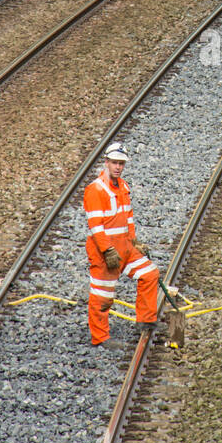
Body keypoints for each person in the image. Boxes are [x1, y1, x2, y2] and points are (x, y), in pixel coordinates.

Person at [83, 142, 159, 346]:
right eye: (115, 163)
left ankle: (146, 320)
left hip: (126, 248)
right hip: (105, 252)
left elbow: (128, 216)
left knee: (149, 274)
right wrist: (107, 249)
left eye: (121, 164)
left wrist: (135, 241)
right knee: (102, 295)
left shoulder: (123, 186)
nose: (118, 167)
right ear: (106, 162)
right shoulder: (95, 190)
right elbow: (96, 226)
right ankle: (100, 338)